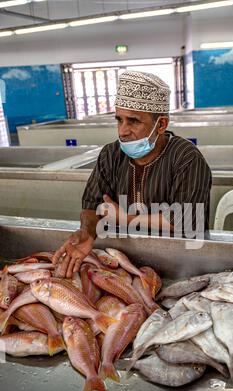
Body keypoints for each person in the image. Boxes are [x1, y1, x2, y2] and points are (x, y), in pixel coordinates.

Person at [53, 70, 212, 277]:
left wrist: (125, 218)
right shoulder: (111, 154)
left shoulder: (185, 157)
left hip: (181, 263)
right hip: (125, 261)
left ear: (161, 124)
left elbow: (187, 220)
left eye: (133, 121)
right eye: (119, 120)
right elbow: (92, 206)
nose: (122, 131)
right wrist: (87, 232)